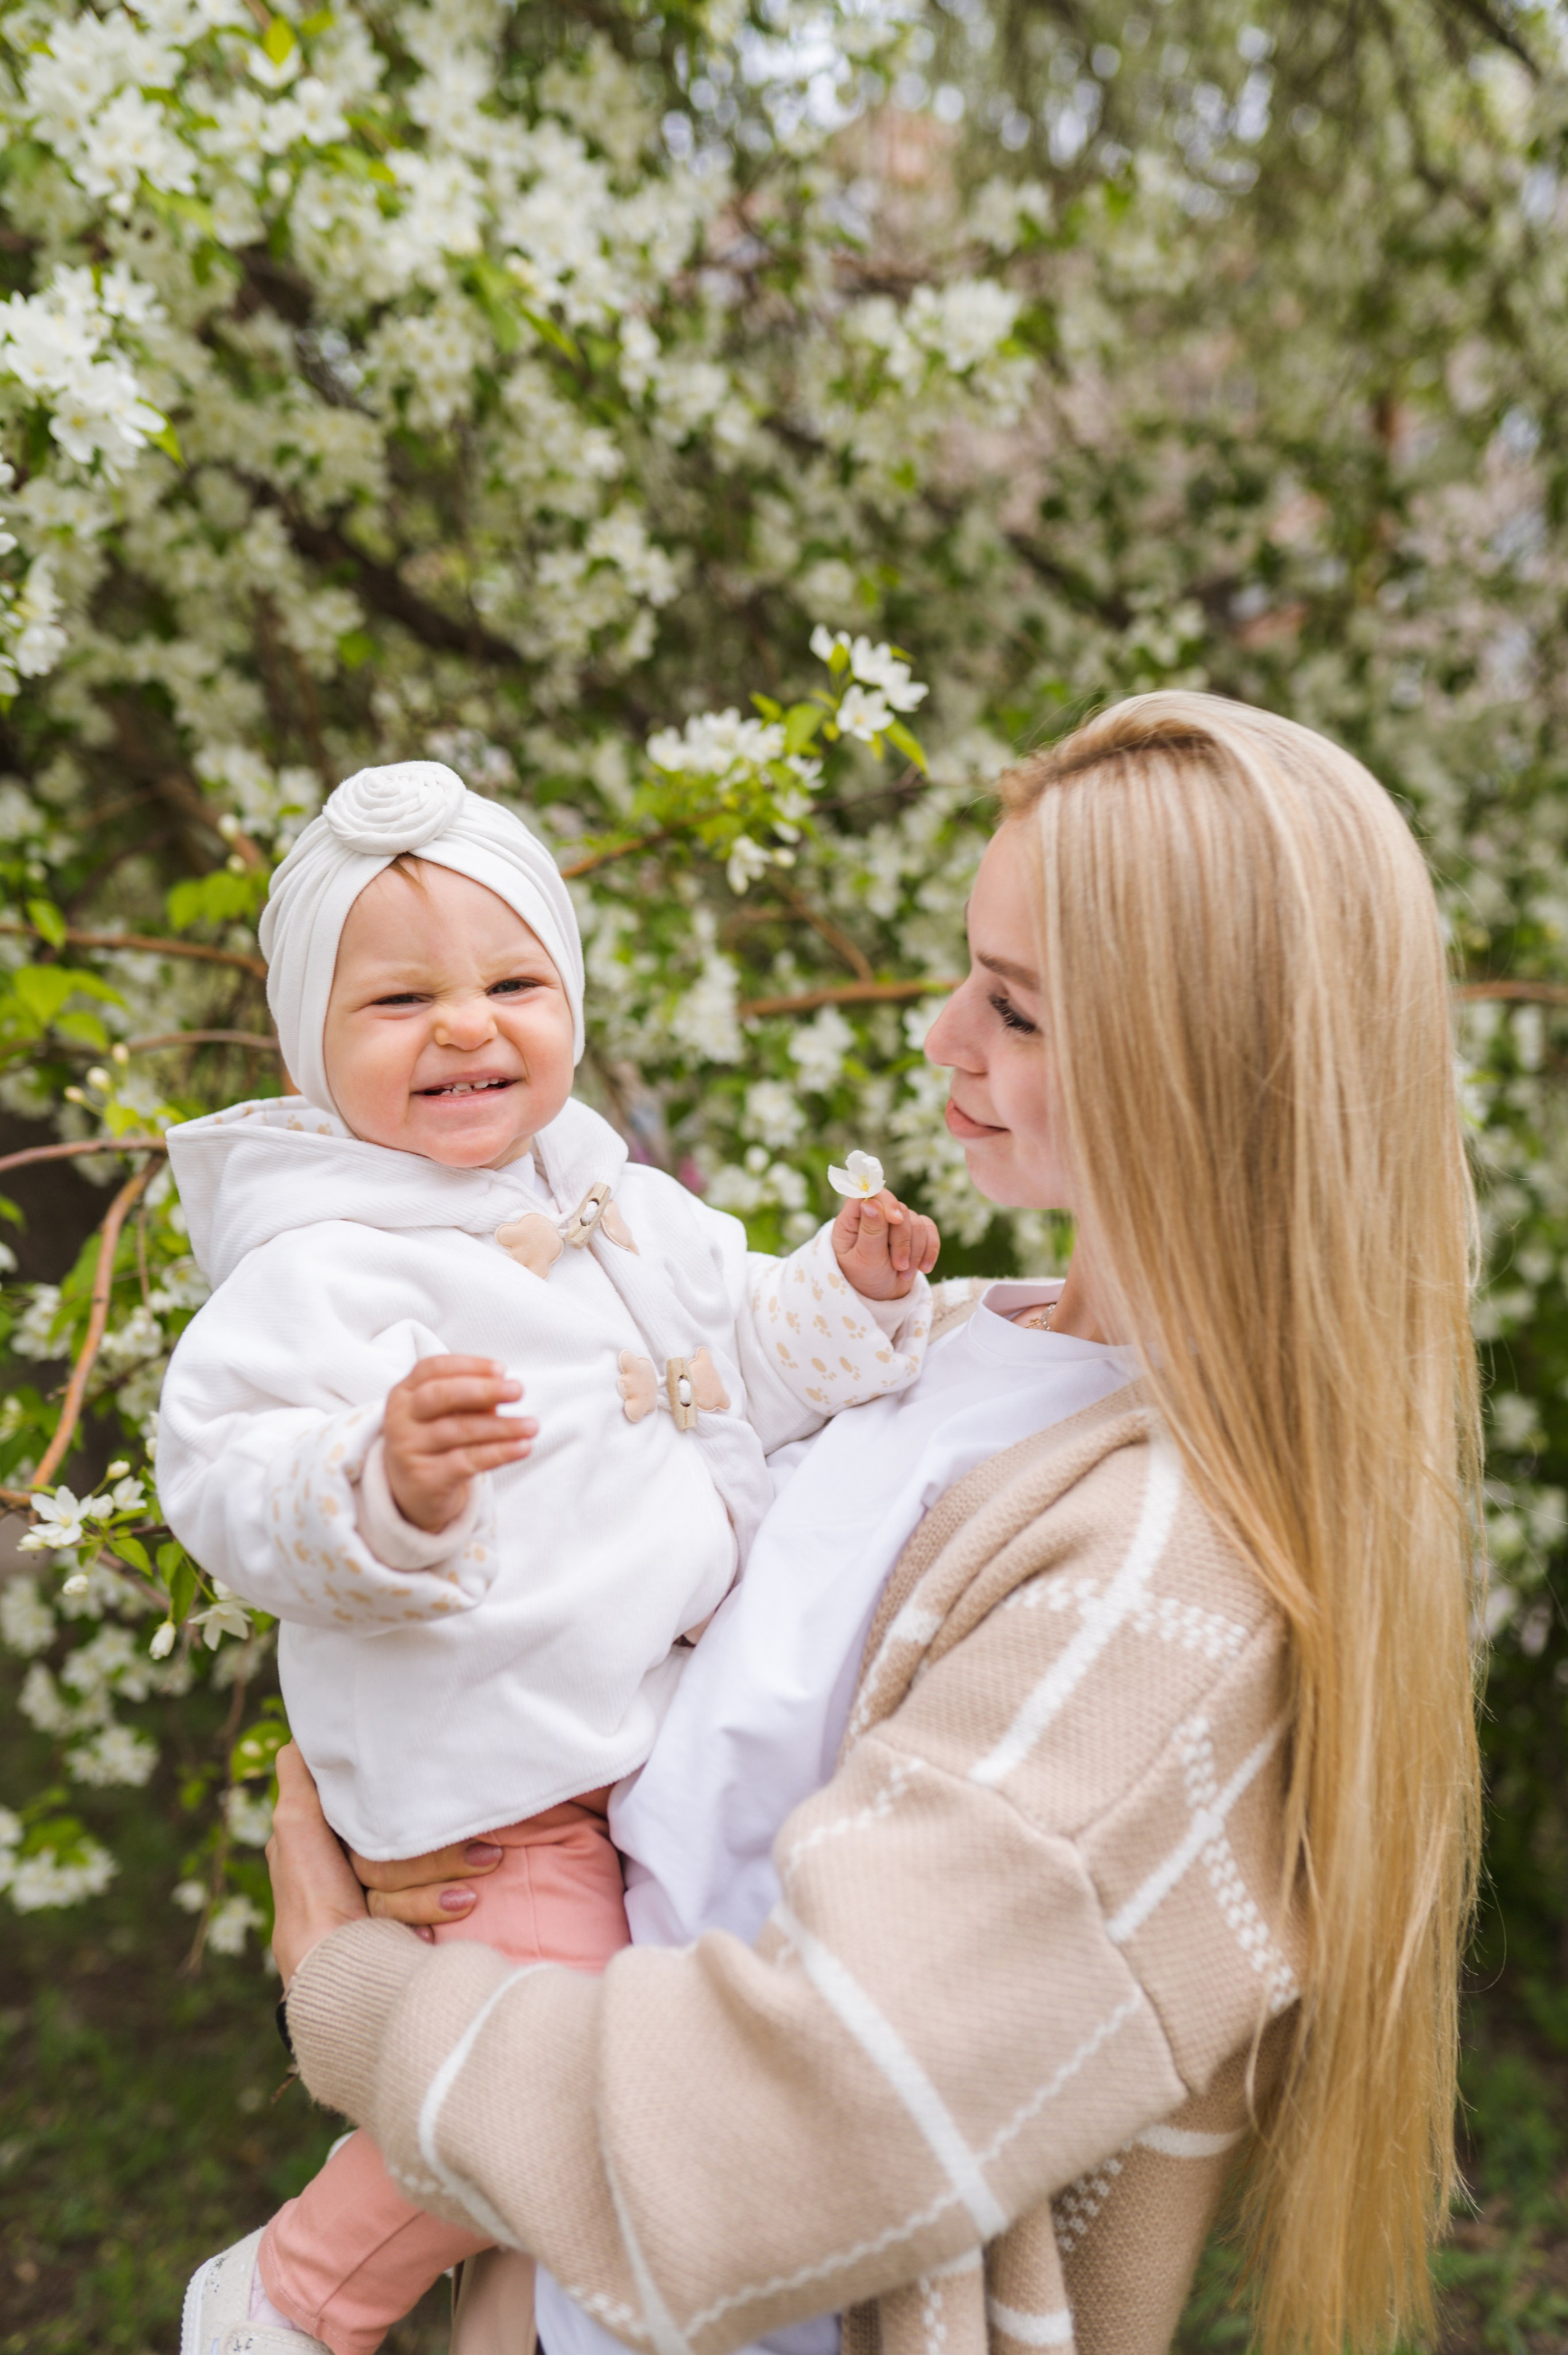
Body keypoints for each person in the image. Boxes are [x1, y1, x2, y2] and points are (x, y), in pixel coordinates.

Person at [264, 692, 1483, 2355]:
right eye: (970, 973)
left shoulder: (1164, 1581)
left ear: (1202, 1064)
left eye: (1020, 1011)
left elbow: (790, 2135)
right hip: (569, 2287)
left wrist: (361, 1998)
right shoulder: (953, 1344)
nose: (941, 1040)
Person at [163, 759, 939, 2355]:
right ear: (311, 1040)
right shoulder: (313, 1266)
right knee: (553, 2057)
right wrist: (384, 1484)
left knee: (650, 2070)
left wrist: (846, 1300)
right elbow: (223, 1472)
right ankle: (296, 2292)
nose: (466, 1026)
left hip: (642, 1739)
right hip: (492, 1785)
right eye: (397, 1002)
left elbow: (751, 1367)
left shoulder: (621, 1200)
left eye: (514, 981)